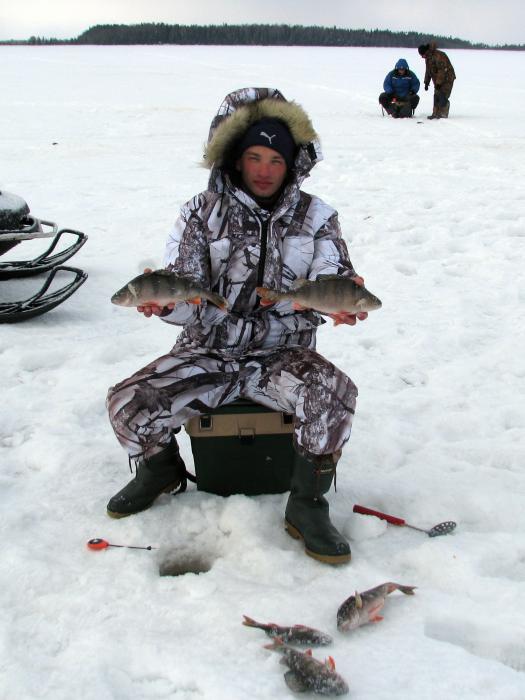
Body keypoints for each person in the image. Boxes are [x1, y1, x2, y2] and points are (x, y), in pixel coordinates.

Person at [106, 87, 369, 565]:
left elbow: (331, 279)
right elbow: (188, 293)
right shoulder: (200, 213)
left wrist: (344, 296)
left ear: (293, 163)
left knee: (335, 395)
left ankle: (308, 504)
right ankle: (159, 471)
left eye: (275, 158)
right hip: (209, 348)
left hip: (283, 352)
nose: (265, 169)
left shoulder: (318, 216)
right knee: (127, 403)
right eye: (254, 156)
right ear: (234, 157)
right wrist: (165, 306)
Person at [418, 42, 456, 119]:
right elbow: (428, 71)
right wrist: (426, 82)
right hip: (438, 80)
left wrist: (438, 83)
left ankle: (443, 114)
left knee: (443, 96)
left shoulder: (439, 56)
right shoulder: (428, 58)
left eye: (422, 55)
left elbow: (442, 70)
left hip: (447, 79)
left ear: (426, 51)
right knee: (436, 96)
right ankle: (435, 113)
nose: (422, 57)